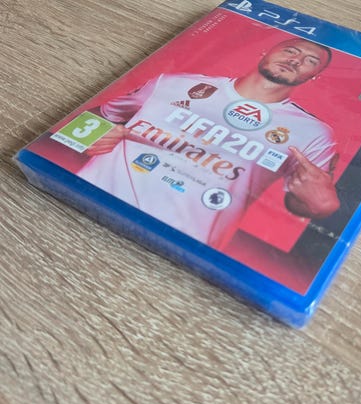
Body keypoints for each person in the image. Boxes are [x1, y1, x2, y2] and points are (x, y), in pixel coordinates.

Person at [79, 38, 340, 249]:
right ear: (265, 51)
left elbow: (300, 202)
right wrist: (93, 135)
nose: (295, 60)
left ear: (314, 76)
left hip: (177, 243)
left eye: (310, 61)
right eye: (290, 50)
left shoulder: (313, 133)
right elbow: (97, 118)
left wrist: (320, 205)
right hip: (86, 200)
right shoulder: (172, 84)